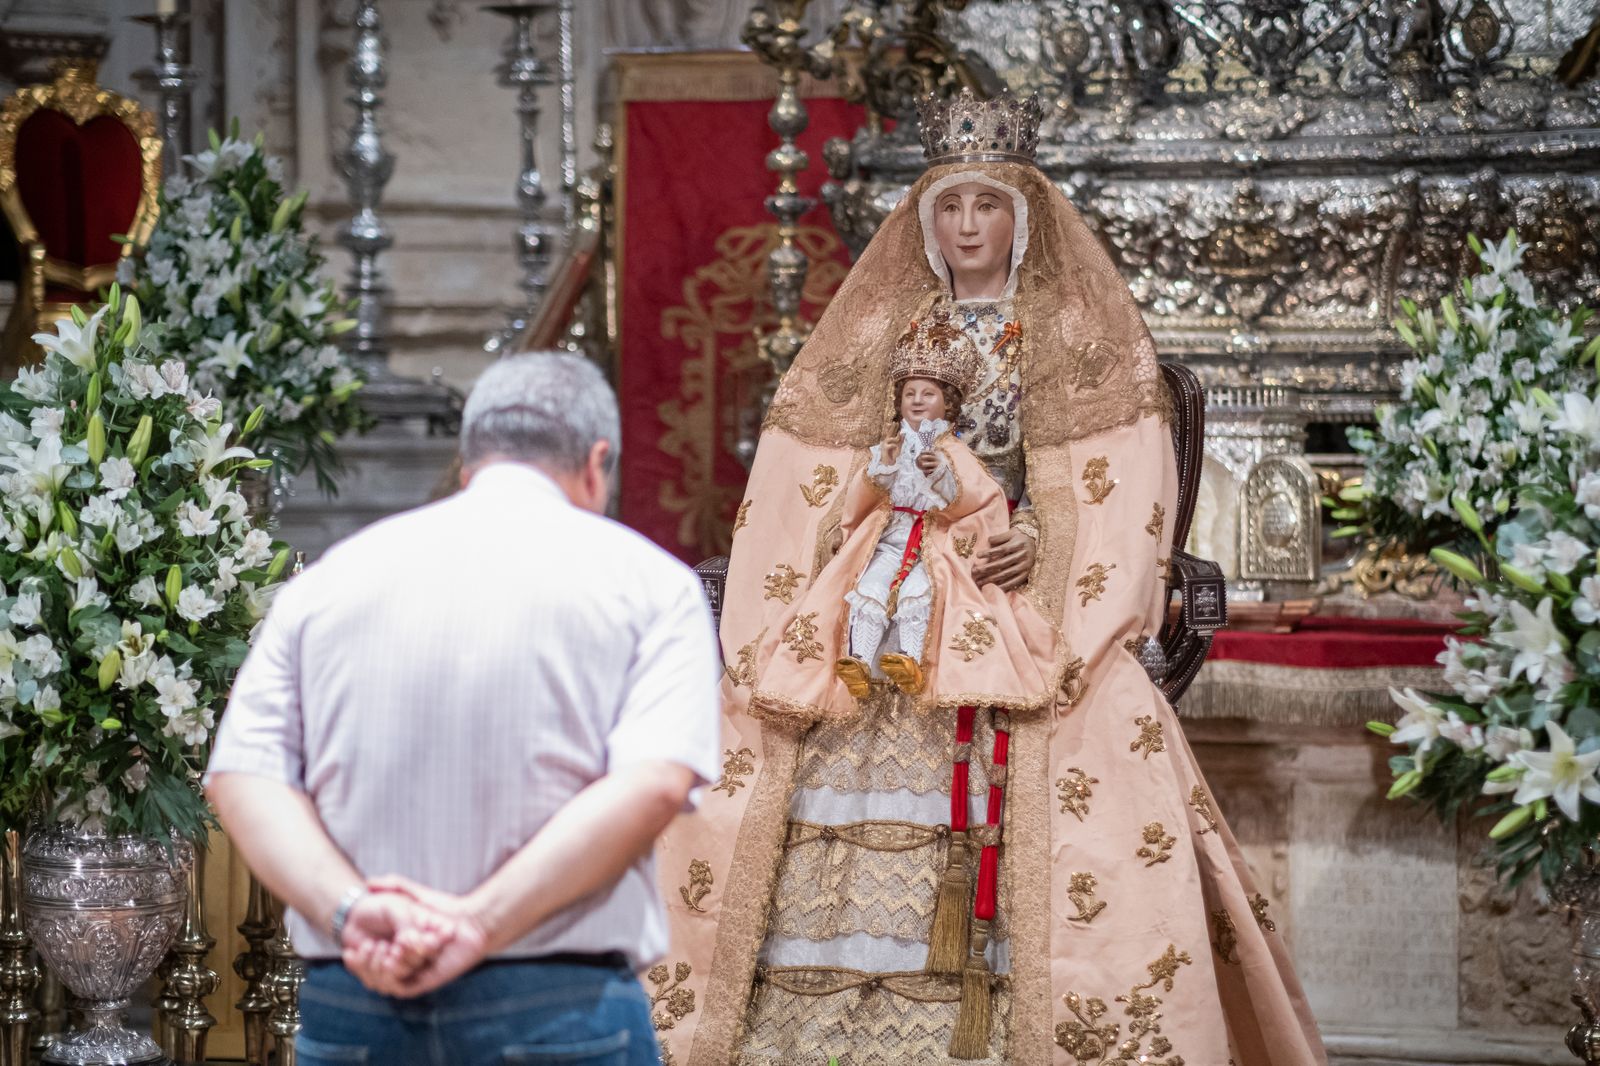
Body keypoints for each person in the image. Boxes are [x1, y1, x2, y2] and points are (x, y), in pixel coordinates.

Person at [653, 90, 1328, 1065]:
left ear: (1024, 213)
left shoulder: (1073, 331)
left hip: (1016, 593)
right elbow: (821, 469)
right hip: (883, 579)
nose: (969, 227)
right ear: (926, 219)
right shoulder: (883, 323)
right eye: (950, 209)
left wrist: (1040, 542)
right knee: (769, 727)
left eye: (989, 206)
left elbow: (1114, 479)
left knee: (1100, 716)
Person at [205, 352, 722, 1066]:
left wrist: (351, 912)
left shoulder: (327, 582)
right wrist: (475, 925)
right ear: (597, 462)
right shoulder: (651, 585)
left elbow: (241, 777)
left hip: (359, 996)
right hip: (558, 1008)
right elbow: (655, 781)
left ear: (470, 457)